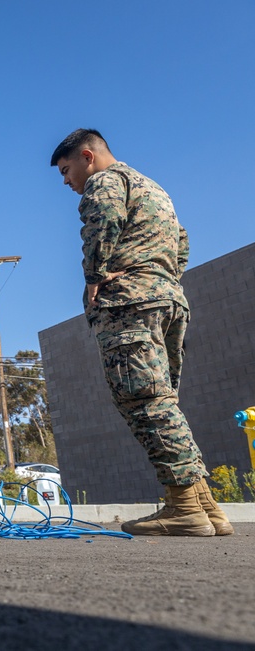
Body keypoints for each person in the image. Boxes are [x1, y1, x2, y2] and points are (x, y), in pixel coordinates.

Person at [50, 128, 231, 537]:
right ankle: (204, 504)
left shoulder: (104, 183)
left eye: (66, 170)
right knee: (161, 401)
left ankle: (184, 507)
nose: (66, 181)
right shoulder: (152, 188)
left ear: (87, 156)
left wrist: (95, 275)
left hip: (129, 304)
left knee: (144, 403)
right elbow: (181, 241)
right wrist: (160, 276)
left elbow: (103, 220)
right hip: (167, 300)